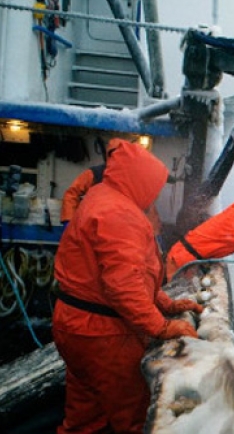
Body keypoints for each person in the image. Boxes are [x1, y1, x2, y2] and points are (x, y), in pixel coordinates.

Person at [52, 139, 203, 434]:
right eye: (155, 186)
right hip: (103, 334)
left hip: (74, 325)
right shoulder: (121, 214)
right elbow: (123, 286)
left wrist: (165, 304)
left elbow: (124, 275)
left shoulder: (100, 197)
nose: (156, 194)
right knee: (134, 417)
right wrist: (162, 326)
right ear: (140, 180)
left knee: (85, 413)